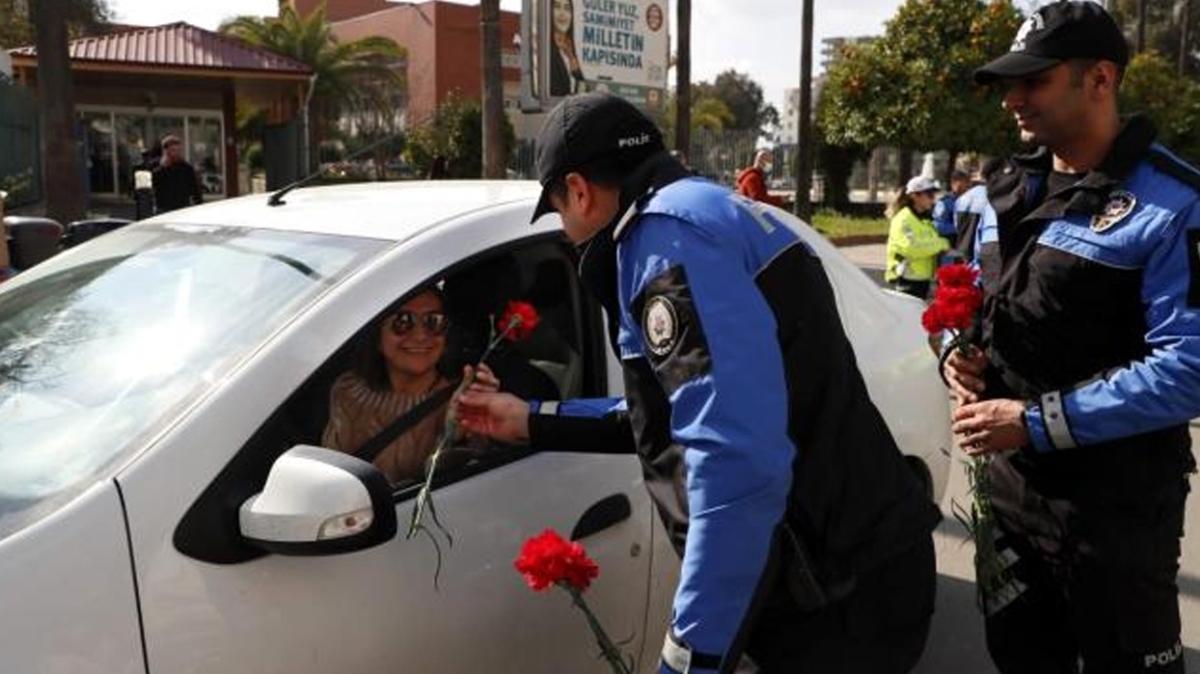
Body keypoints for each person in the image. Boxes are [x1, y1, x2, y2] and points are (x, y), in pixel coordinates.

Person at [460, 92, 939, 673]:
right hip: (843, 571)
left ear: (580, 190)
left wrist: (692, 656)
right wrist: (530, 419)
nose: (566, 228)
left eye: (559, 210)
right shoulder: (703, 211)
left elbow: (732, 462)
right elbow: (678, 414)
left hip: (835, 595)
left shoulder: (664, 241)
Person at [945, 3, 1200, 672]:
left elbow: (1189, 369)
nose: (1013, 100)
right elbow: (963, 299)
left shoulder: (1174, 204)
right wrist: (956, 355)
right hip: (1007, 501)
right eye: (1009, 83)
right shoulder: (998, 192)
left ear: (1100, 79)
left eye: (1034, 81)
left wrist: (1033, 422)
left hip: (1116, 515)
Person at [322, 287, 498, 484]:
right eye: (403, 321)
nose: (421, 335)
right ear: (377, 336)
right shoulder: (348, 390)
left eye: (434, 321)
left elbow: (462, 489)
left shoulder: (460, 403)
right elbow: (331, 477)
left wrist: (455, 436)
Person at [884, 175, 949, 298]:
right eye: (929, 195)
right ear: (915, 196)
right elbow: (912, 248)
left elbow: (928, 245)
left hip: (921, 280)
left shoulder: (925, 220)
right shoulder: (903, 219)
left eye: (934, 195)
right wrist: (942, 244)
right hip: (905, 280)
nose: (933, 199)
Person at [151, 135, 202, 214]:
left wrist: (199, 206)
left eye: (178, 150)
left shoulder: (186, 168)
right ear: (165, 151)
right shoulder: (156, 166)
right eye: (172, 150)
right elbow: (152, 184)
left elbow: (195, 189)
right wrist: (163, 168)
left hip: (182, 209)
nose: (175, 154)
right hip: (163, 209)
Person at [548, 0, 585, 97]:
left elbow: (583, 85)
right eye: (557, 7)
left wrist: (571, 57)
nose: (562, 13)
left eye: (567, 8)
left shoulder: (572, 50)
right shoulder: (547, 52)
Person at [931, 169, 971, 247]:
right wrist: (958, 228)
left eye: (968, 184)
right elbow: (938, 226)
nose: (967, 187)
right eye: (964, 183)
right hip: (950, 244)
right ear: (954, 184)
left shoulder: (970, 201)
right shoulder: (945, 202)